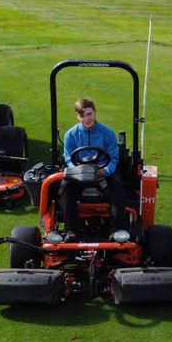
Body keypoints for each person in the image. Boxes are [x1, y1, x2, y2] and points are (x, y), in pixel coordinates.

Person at [59, 97, 127, 242]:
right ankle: (72, 230)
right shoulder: (70, 135)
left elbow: (114, 159)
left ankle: (117, 230)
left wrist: (105, 171)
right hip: (79, 175)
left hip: (102, 175)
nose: (86, 119)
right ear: (77, 116)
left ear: (95, 112)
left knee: (117, 187)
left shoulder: (107, 133)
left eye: (89, 114)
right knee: (65, 186)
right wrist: (77, 171)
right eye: (82, 116)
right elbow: (68, 159)